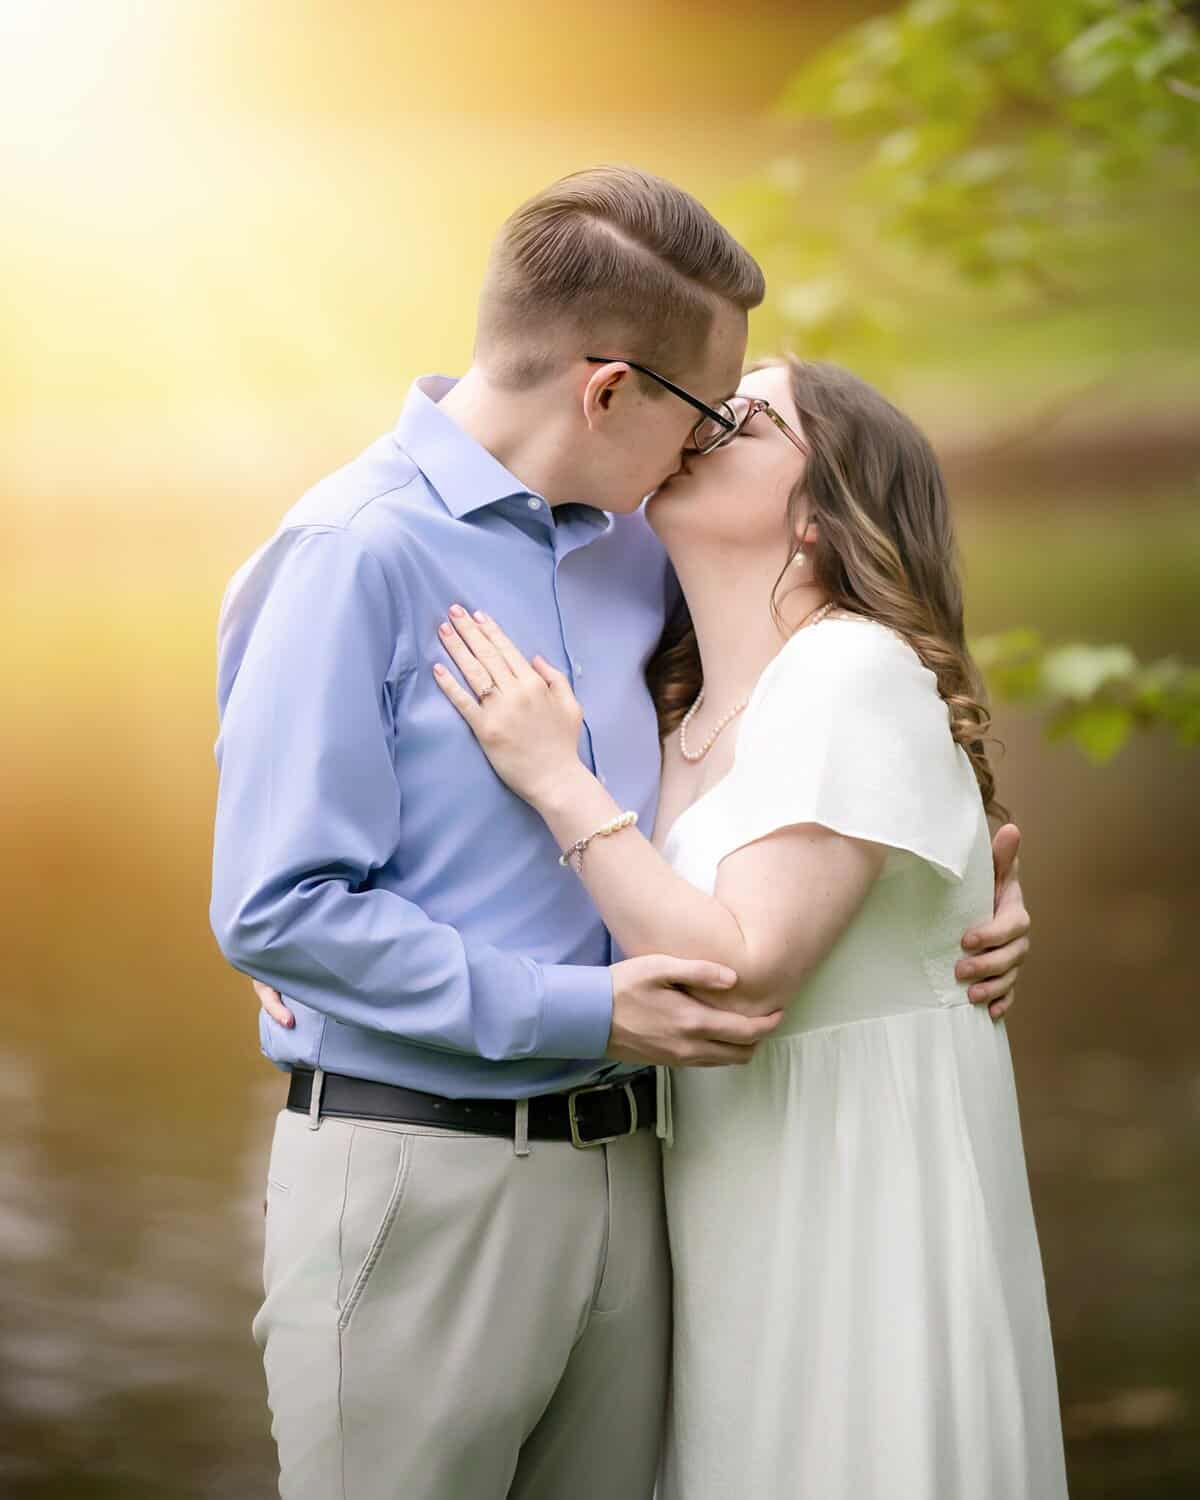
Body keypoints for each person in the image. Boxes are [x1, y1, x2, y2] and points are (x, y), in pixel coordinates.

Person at [212, 166, 1032, 1500]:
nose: (709, 445)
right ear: (608, 392)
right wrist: (583, 1011)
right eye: (705, 412)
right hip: (427, 1180)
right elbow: (277, 906)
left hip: (650, 1183)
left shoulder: (640, 554)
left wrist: (961, 905)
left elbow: (824, 725)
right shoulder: (351, 554)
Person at [430, 355, 1067, 1499]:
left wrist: (552, 776)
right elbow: (508, 385)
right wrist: (338, 955)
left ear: (821, 515)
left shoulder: (851, 670)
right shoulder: (666, 700)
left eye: (749, 418)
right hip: (731, 1187)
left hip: (857, 1188)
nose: (705, 423)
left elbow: (738, 969)